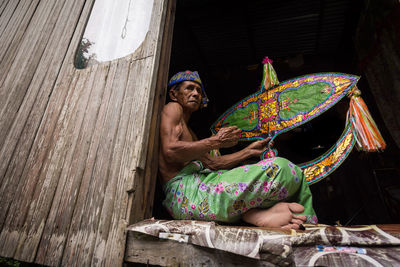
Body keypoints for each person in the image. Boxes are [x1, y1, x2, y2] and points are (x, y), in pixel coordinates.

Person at [159, 70, 317, 229]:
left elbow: (212, 163)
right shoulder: (173, 108)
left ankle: (258, 214)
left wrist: (249, 151)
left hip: (202, 188)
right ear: (174, 94)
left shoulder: (191, 133)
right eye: (189, 88)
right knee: (278, 169)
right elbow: (170, 151)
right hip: (186, 194)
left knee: (292, 172)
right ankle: (255, 213)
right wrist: (215, 142)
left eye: (199, 91)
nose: (195, 93)